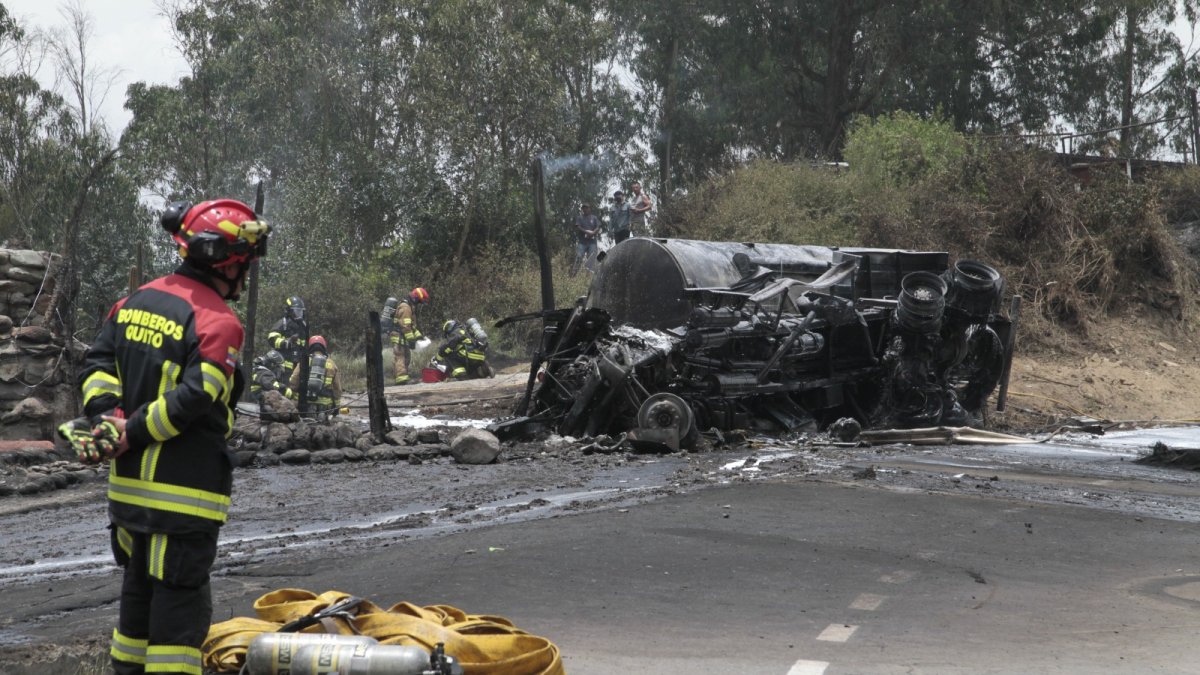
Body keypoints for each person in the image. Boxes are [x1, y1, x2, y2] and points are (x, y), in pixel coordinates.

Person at [77, 198, 268, 675]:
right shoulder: (218, 323)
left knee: (136, 611)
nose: (245, 275)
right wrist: (132, 433)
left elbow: (96, 365)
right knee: (177, 636)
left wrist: (107, 420)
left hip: (128, 501)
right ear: (226, 261)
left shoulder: (133, 301)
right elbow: (196, 399)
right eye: (244, 264)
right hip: (183, 506)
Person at [288, 335, 342, 416]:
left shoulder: (304, 362)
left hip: (306, 405)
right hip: (326, 407)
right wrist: (336, 407)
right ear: (324, 347)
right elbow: (337, 389)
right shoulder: (332, 364)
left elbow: (293, 382)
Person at [385, 287, 430, 385]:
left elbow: (412, 326)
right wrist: (411, 340)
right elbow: (405, 326)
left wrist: (419, 336)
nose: (419, 304)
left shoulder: (410, 307)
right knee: (400, 356)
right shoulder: (405, 307)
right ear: (416, 298)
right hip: (398, 336)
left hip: (403, 336)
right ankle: (401, 380)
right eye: (419, 301)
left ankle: (402, 377)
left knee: (406, 357)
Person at [267, 296, 307, 375]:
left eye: (300, 312)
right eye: (296, 312)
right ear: (289, 311)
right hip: (282, 367)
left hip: (297, 368)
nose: (299, 315)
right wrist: (287, 342)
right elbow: (272, 339)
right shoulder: (282, 323)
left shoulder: (302, 327)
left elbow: (303, 345)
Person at [571, 203, 601, 276]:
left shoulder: (594, 218)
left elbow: (598, 227)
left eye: (587, 208)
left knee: (591, 259)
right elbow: (578, 226)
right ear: (582, 209)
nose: (585, 209)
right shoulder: (580, 217)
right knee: (579, 257)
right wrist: (586, 232)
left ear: (589, 209)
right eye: (584, 208)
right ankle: (573, 275)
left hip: (592, 242)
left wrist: (593, 233)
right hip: (582, 242)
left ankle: (590, 277)